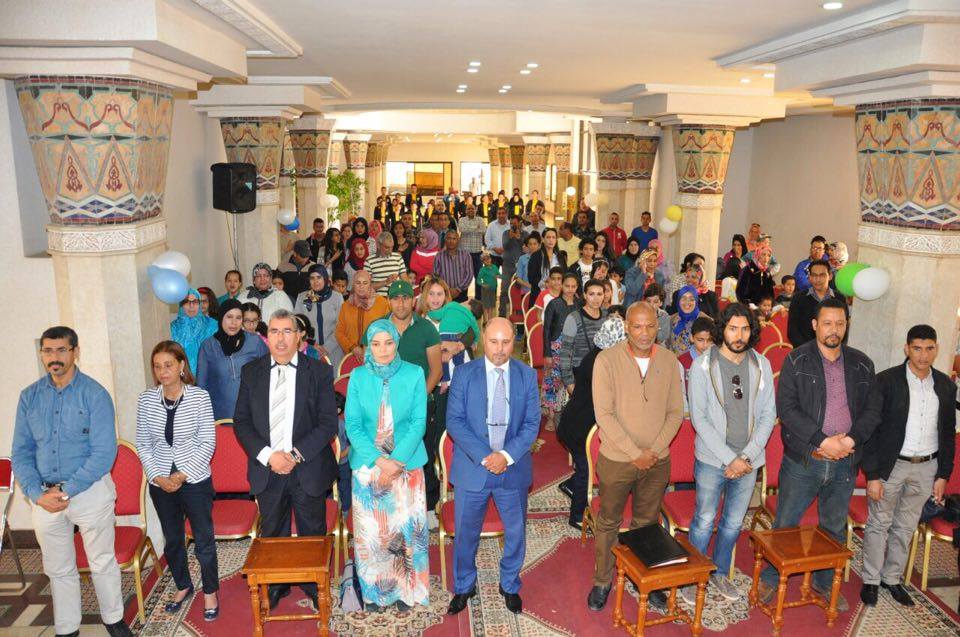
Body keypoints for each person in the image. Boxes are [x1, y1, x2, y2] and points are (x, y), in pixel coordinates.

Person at [757, 298, 881, 611]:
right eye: (827, 323)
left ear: (846, 325)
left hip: (845, 462)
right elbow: (787, 409)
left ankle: (825, 584)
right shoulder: (796, 360)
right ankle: (770, 577)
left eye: (839, 323)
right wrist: (822, 441)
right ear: (815, 325)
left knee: (834, 528)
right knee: (786, 523)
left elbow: (872, 411)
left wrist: (850, 440)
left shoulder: (862, 364)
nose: (833, 329)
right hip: (804, 460)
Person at [12, 327, 134, 637]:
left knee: (101, 561)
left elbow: (104, 453)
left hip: (89, 491)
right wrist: (36, 493)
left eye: (61, 350)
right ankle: (67, 629)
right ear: (41, 354)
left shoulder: (95, 394)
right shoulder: (29, 397)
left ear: (75, 352)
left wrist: (66, 490)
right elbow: (21, 452)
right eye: (48, 351)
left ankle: (113, 620)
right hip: (44, 498)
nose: (54, 357)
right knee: (58, 568)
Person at [233, 309, 339, 611]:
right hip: (268, 469)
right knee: (273, 533)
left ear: (299, 337)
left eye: (287, 331)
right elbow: (241, 422)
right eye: (274, 331)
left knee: (312, 533)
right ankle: (277, 585)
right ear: (266, 337)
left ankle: (314, 586)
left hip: (307, 467)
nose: (280, 339)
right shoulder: (251, 372)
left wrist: (293, 455)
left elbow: (328, 424)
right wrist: (270, 457)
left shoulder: (318, 371)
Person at [587, 302, 684, 611]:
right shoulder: (606, 360)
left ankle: (645, 579)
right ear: (627, 327)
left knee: (647, 522)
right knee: (609, 522)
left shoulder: (669, 360)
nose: (644, 333)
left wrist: (652, 451)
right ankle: (603, 580)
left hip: (657, 460)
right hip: (617, 459)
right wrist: (634, 453)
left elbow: (675, 412)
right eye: (638, 326)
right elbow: (604, 414)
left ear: (658, 327)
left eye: (650, 326)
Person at [680, 304, 776, 604]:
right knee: (704, 519)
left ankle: (720, 572)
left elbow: (767, 416)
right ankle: (693, 576)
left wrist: (745, 458)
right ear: (722, 330)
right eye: (733, 328)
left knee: (734, 522)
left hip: (748, 461)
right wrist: (729, 458)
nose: (739, 335)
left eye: (745, 328)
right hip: (712, 459)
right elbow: (699, 418)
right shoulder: (702, 366)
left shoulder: (761, 364)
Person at [445, 318, 541, 616]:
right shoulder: (464, 374)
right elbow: (455, 422)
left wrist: (506, 456)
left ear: (515, 343)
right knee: (465, 533)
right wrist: (488, 457)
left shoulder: (527, 375)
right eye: (493, 341)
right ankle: (464, 585)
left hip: (513, 468)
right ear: (482, 341)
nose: (499, 349)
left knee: (515, 531)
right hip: (474, 468)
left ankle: (509, 584)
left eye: (506, 342)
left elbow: (532, 424)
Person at [859, 324, 956, 607]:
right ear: (906, 349)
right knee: (879, 523)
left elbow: (948, 433)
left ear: (936, 350)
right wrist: (873, 475)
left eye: (929, 348)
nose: (923, 355)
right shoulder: (886, 381)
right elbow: (871, 430)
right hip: (891, 465)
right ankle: (871, 580)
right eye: (917, 348)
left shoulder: (946, 386)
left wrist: (943, 474)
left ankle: (891, 578)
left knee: (906, 526)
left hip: (927, 466)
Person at [344, 319, 430, 610]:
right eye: (376, 344)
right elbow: (353, 425)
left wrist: (396, 461)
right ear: (369, 346)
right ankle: (375, 593)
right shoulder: (358, 376)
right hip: (368, 466)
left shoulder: (414, 373)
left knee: (406, 532)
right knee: (374, 535)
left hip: (407, 464)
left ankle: (407, 591)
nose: (383, 350)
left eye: (389, 343)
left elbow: (418, 422)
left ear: (397, 342)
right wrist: (380, 461)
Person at [136, 341, 219, 620]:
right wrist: (157, 476)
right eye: (157, 366)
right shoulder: (146, 400)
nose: (163, 371)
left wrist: (182, 474)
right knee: (172, 539)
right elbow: (143, 443)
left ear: (182, 365)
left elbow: (207, 442)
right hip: (160, 482)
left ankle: (210, 591)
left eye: (168, 365)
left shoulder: (200, 397)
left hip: (194, 480)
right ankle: (183, 585)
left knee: (203, 538)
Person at [376, 280, 443, 522]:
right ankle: (393, 507)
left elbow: (436, 371)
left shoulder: (426, 328)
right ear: (389, 301)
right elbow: (371, 367)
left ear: (413, 301)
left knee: (422, 456)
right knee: (388, 458)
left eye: (405, 298)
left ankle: (428, 507)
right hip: (386, 408)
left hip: (420, 405)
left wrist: (417, 400)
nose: (401, 303)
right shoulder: (379, 327)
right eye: (396, 298)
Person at [558, 317, 627, 530]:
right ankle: (577, 516)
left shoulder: (598, 354)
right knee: (587, 471)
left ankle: (570, 485)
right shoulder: (602, 362)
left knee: (584, 467)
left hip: (576, 422)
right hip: (578, 428)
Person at [197, 299, 270, 420]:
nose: (234, 323)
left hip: (250, 415)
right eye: (229, 317)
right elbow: (201, 386)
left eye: (238, 318)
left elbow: (269, 374)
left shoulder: (255, 342)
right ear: (221, 318)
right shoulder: (208, 346)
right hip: (219, 417)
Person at [542, 272, 581, 432]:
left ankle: (566, 414)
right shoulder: (554, 304)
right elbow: (546, 330)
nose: (570, 289)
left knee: (570, 381)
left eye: (573, 286)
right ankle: (551, 416)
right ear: (561, 285)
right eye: (567, 286)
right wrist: (547, 353)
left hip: (574, 349)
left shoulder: (579, 304)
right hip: (556, 348)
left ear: (577, 287)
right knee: (552, 382)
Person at [559, 279, 606, 396]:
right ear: (585, 295)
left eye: (599, 294)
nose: (596, 298)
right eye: (591, 294)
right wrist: (570, 384)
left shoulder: (607, 316)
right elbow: (565, 353)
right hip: (581, 375)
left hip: (603, 375)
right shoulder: (573, 318)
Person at [294, 265, 345, 369]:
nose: (315, 281)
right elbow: (298, 325)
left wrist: (327, 348)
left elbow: (341, 326)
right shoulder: (302, 298)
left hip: (334, 350)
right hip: (310, 350)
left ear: (325, 278)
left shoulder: (337, 297)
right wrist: (312, 344)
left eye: (319, 277)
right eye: (312, 278)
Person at [335, 270, 390, 364]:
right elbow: (339, 332)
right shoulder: (346, 306)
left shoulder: (382, 303)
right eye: (358, 283)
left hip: (376, 357)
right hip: (352, 356)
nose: (361, 286)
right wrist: (352, 347)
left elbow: (388, 330)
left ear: (370, 284)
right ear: (353, 284)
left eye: (365, 283)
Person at [787, 260, 835, 347]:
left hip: (831, 349)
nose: (817, 279)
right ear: (809, 277)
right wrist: (808, 350)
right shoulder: (798, 298)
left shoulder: (838, 299)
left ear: (830, 276)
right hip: (803, 350)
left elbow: (842, 329)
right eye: (814, 275)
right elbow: (792, 330)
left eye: (822, 275)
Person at [170, 288, 218, 374]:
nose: (191, 306)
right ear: (181, 305)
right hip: (181, 376)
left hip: (207, 375)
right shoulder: (173, 328)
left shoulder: (212, 325)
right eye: (187, 302)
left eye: (195, 302)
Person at [499, 215, 529, 317]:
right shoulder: (506, 233)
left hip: (522, 266)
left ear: (520, 223)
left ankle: (520, 313)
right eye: (511, 223)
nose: (512, 225)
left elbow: (526, 248)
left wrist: (519, 238)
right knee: (504, 289)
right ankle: (502, 314)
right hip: (508, 265)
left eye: (514, 223)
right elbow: (505, 246)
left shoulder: (525, 234)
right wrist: (511, 238)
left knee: (521, 289)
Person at [433, 229, 474, 302]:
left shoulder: (466, 255)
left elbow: (469, 274)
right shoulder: (439, 256)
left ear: (458, 240)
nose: (451, 241)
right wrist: (447, 289)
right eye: (449, 238)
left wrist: (458, 289)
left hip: (462, 293)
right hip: (444, 293)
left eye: (454, 239)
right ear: (445, 240)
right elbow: (436, 276)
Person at [527, 227, 566, 303]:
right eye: (548, 237)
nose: (551, 240)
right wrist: (545, 284)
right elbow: (531, 277)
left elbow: (565, 274)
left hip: (558, 293)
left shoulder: (560, 257)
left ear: (556, 240)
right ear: (543, 239)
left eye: (553, 237)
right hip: (539, 293)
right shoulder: (536, 256)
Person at [365, 232, 406, 297]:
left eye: (392, 247)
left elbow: (405, 280)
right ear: (378, 245)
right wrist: (386, 282)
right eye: (387, 247)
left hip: (396, 298)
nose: (390, 251)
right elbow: (366, 287)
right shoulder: (369, 261)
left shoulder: (398, 257)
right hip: (378, 299)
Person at [670, 285, 702, 356]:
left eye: (692, 299)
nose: (687, 302)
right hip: (673, 361)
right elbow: (666, 344)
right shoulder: (672, 319)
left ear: (696, 301)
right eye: (683, 299)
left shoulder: (705, 320)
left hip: (697, 361)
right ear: (678, 301)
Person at [458, 204, 487, 281]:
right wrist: (476, 227)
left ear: (476, 210)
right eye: (469, 209)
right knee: (464, 277)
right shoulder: (462, 220)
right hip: (465, 253)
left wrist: (468, 229)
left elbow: (483, 230)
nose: (471, 210)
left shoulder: (480, 219)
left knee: (478, 276)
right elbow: (462, 229)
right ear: (465, 211)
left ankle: (478, 290)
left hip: (477, 252)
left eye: (472, 209)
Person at [641, 283, 672, 348]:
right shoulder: (639, 315)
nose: (651, 305)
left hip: (659, 349)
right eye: (648, 301)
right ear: (644, 301)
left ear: (661, 303)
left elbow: (662, 337)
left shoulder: (664, 316)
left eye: (655, 302)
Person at [476, 251, 500, 323]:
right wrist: (483, 284)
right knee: (485, 305)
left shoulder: (495, 267)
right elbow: (478, 280)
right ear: (483, 262)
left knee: (491, 306)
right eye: (485, 260)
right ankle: (485, 320)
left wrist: (499, 276)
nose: (487, 261)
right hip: (485, 290)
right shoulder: (482, 270)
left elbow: (499, 275)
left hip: (493, 290)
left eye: (488, 258)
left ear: (491, 259)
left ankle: (490, 320)